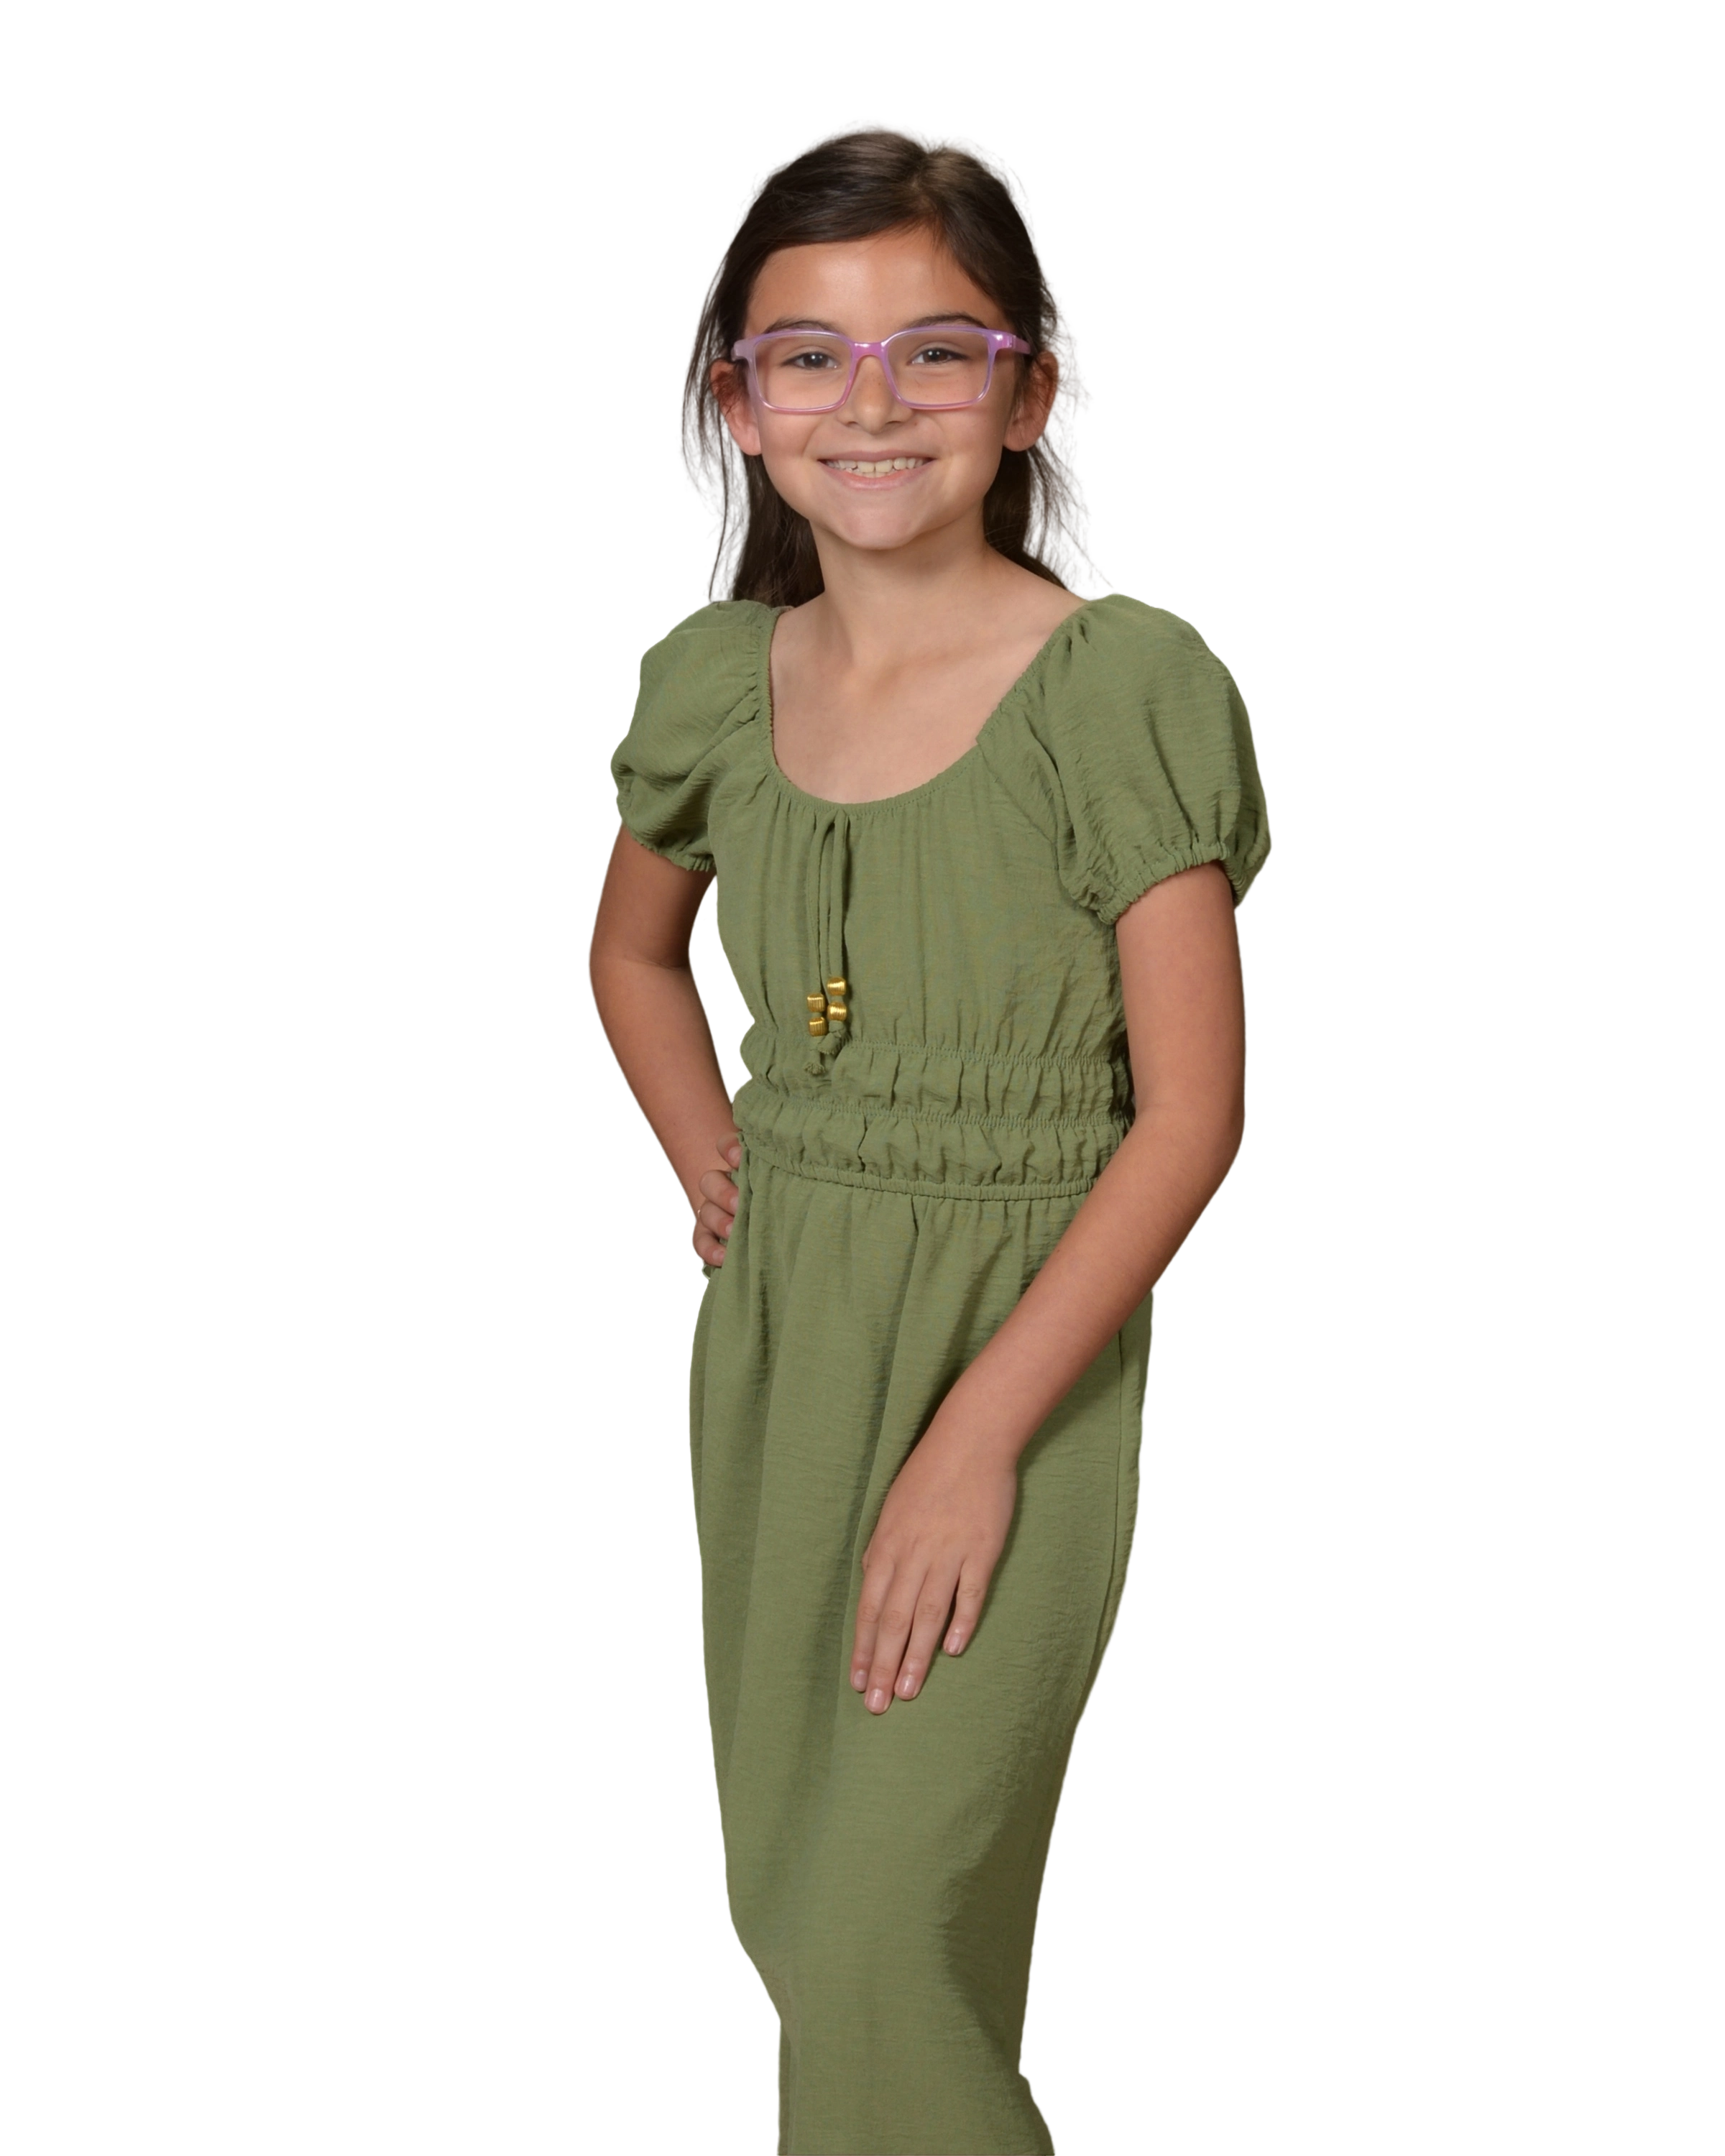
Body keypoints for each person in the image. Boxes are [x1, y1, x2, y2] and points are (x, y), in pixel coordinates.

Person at [587, 116, 1275, 2156]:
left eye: (935, 351)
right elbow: (631, 957)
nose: (869, 404)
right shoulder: (719, 681)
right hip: (782, 1351)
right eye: (809, 354)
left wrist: (976, 1443)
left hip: (1017, 1356)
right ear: (738, 404)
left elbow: (1194, 1116)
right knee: (796, 1918)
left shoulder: (1120, 683)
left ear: (1030, 389)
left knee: (887, 1932)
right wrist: (719, 1162)